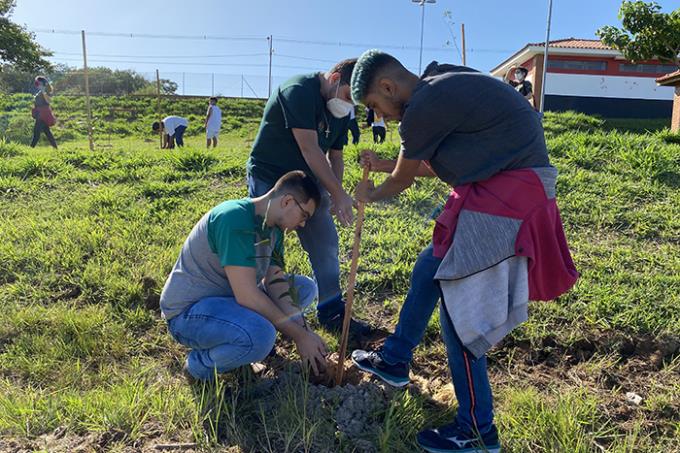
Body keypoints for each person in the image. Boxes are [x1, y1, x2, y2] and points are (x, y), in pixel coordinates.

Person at [349, 51, 579, 453]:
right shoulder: (439, 87)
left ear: (388, 87)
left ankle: (476, 430)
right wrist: (386, 164)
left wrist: (372, 192)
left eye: (374, 106)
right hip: (495, 187)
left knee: (459, 314)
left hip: (506, 198)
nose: (379, 115)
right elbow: (431, 165)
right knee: (427, 269)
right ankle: (396, 360)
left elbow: (404, 179)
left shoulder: (424, 104)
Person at [245, 58, 373, 339]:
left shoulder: (342, 113)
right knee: (266, 246)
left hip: (308, 182)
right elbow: (310, 149)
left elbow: (335, 156)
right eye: (349, 96)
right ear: (335, 77)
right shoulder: (299, 90)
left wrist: (332, 193)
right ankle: (259, 316)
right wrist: (339, 194)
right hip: (270, 177)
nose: (349, 106)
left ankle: (332, 312)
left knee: (326, 243)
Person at [160, 170, 328, 381]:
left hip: (226, 301)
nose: (303, 224)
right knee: (262, 335)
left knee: (304, 288)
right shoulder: (234, 219)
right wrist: (299, 336)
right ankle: (198, 367)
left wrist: (306, 333)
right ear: (287, 201)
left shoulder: (274, 229)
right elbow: (247, 295)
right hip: (188, 313)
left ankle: (240, 345)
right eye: (304, 215)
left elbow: (276, 282)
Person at [30, 76, 58, 149]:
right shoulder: (39, 92)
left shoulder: (47, 91)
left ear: (43, 83)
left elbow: (49, 101)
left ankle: (31, 148)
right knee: (47, 132)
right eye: (36, 83)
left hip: (43, 114)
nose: (37, 85)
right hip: (40, 113)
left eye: (38, 83)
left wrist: (43, 92)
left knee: (36, 133)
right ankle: (55, 148)